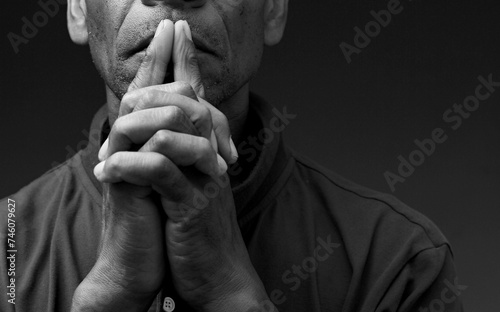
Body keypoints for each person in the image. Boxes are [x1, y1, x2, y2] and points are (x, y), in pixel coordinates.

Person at [1, 0, 464, 311]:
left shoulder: (399, 264)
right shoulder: (6, 254)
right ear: (79, 9)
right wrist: (110, 291)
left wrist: (231, 291)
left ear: (274, 10)